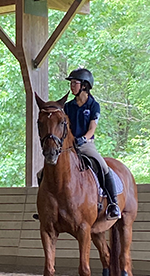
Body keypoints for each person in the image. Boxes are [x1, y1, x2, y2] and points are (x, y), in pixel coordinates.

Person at [64, 67, 121, 220]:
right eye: (71, 83)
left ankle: (113, 204)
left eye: (74, 83)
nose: (71, 86)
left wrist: (83, 138)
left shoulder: (93, 105)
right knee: (43, 171)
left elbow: (92, 127)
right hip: (69, 146)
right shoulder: (68, 106)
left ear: (84, 85)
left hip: (85, 144)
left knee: (103, 166)